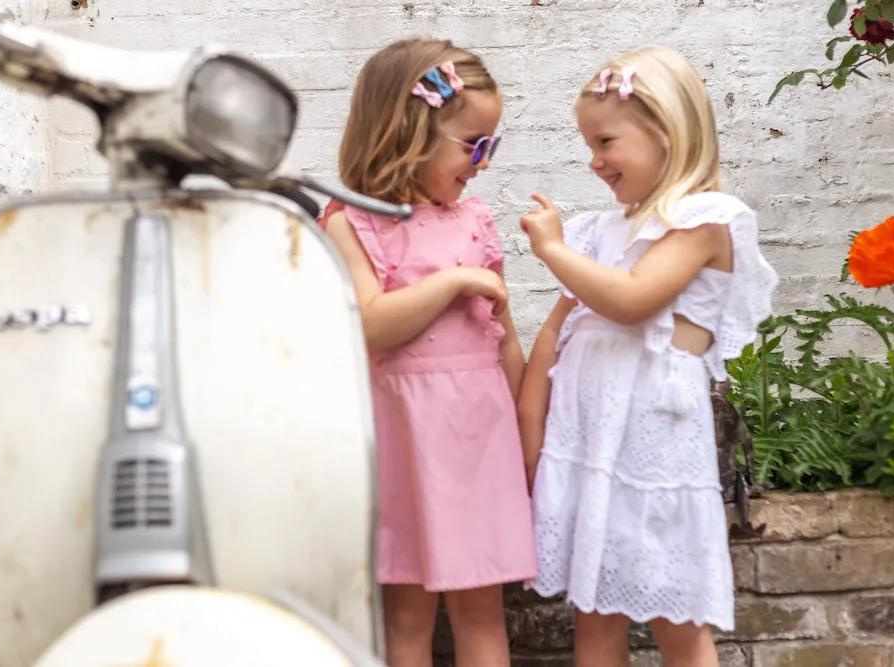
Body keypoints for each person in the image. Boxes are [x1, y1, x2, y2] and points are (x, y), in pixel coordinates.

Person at [517, 45, 779, 667]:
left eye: (606, 141)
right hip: (589, 445)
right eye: (589, 145)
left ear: (665, 131)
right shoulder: (597, 235)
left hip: (655, 453)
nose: (594, 161)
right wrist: (533, 444)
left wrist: (553, 253)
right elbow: (556, 336)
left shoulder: (702, 222)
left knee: (676, 612)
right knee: (595, 609)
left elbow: (632, 301)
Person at [322, 37, 537, 667]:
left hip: (479, 437)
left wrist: (526, 436)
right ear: (408, 131)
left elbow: (505, 339)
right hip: (404, 439)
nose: (484, 162)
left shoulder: (473, 220)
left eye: (490, 145)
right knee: (408, 613)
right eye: (474, 145)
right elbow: (368, 323)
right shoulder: (349, 221)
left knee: (481, 610)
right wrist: (452, 282)